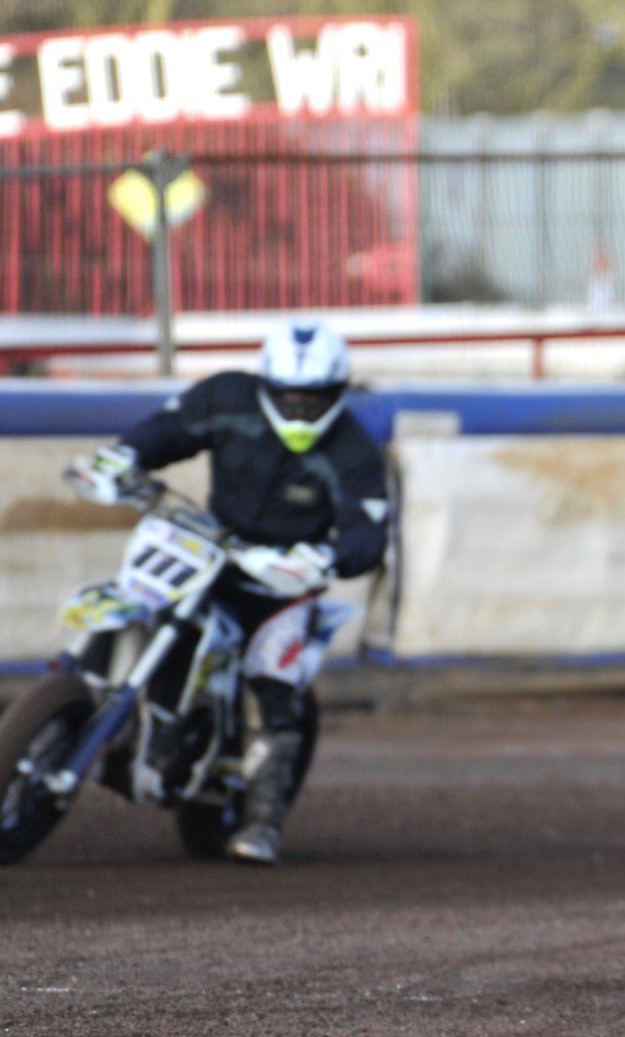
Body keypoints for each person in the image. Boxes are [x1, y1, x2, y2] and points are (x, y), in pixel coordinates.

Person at [69, 320, 389, 866]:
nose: (299, 409)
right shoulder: (227, 396)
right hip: (211, 553)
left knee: (273, 676)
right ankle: (87, 706)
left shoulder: (354, 451)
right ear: (266, 385)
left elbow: (369, 530)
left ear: (337, 394)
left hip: (283, 583)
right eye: (288, 396)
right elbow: (169, 429)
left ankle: (262, 824)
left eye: (314, 399)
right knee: (140, 598)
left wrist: (329, 556)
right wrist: (125, 457)